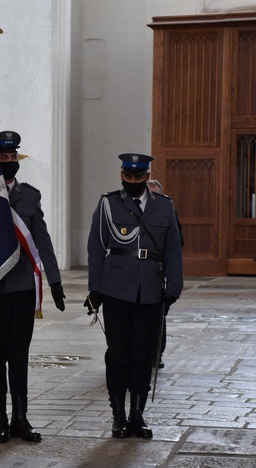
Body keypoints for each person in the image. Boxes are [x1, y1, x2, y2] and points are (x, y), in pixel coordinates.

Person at [85, 153, 183, 439]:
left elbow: (173, 250)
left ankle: (136, 415)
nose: (133, 182)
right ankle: (117, 416)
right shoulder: (108, 203)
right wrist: (95, 289)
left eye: (139, 177)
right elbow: (95, 247)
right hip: (115, 288)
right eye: (128, 177)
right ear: (122, 176)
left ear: (146, 176)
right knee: (118, 354)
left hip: (151, 290)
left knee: (144, 354)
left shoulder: (164, 206)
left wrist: (173, 288)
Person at [0, 130, 66, 444]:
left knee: (18, 355)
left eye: (13, 157)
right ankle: (0, 420)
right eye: (3, 157)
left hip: (21, 289)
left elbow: (42, 240)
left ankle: (21, 417)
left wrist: (55, 281)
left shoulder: (30, 196)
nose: (9, 161)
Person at [146, 179, 184, 368]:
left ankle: (156, 354)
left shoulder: (168, 212)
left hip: (157, 273)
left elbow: (178, 243)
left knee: (159, 316)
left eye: (156, 194)